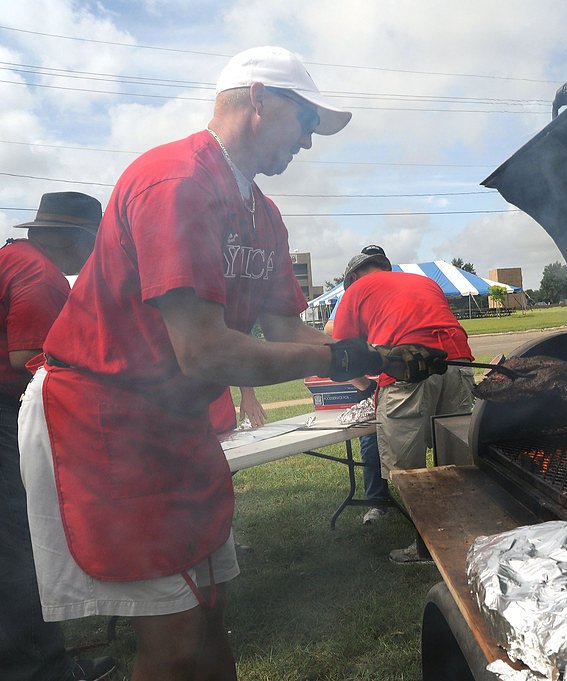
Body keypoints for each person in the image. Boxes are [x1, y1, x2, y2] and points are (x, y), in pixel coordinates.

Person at [17, 47, 444, 681]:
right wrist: (346, 353)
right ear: (258, 99)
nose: (307, 143)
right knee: (175, 634)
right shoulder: (176, 182)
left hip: (173, 422)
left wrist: (380, 360)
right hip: (106, 419)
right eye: (304, 122)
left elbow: (286, 330)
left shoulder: (263, 214)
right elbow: (204, 351)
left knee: (211, 611)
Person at [0, 192, 117, 680]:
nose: (93, 258)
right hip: (6, 414)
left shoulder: (10, 257)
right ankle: (43, 671)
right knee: (19, 551)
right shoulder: (41, 275)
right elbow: (26, 359)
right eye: (94, 246)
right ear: (77, 238)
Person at [331, 247, 475, 563]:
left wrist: (367, 387)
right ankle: (470, 536)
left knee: (406, 468)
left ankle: (427, 547)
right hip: (460, 362)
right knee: (457, 457)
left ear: (353, 277)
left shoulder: (356, 290)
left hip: (410, 372)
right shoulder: (422, 282)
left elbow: (341, 356)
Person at [324, 245, 391, 525]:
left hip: (397, 376)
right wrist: (363, 383)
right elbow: (330, 333)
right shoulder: (352, 295)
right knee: (369, 439)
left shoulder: (393, 287)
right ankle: (377, 502)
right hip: (372, 379)